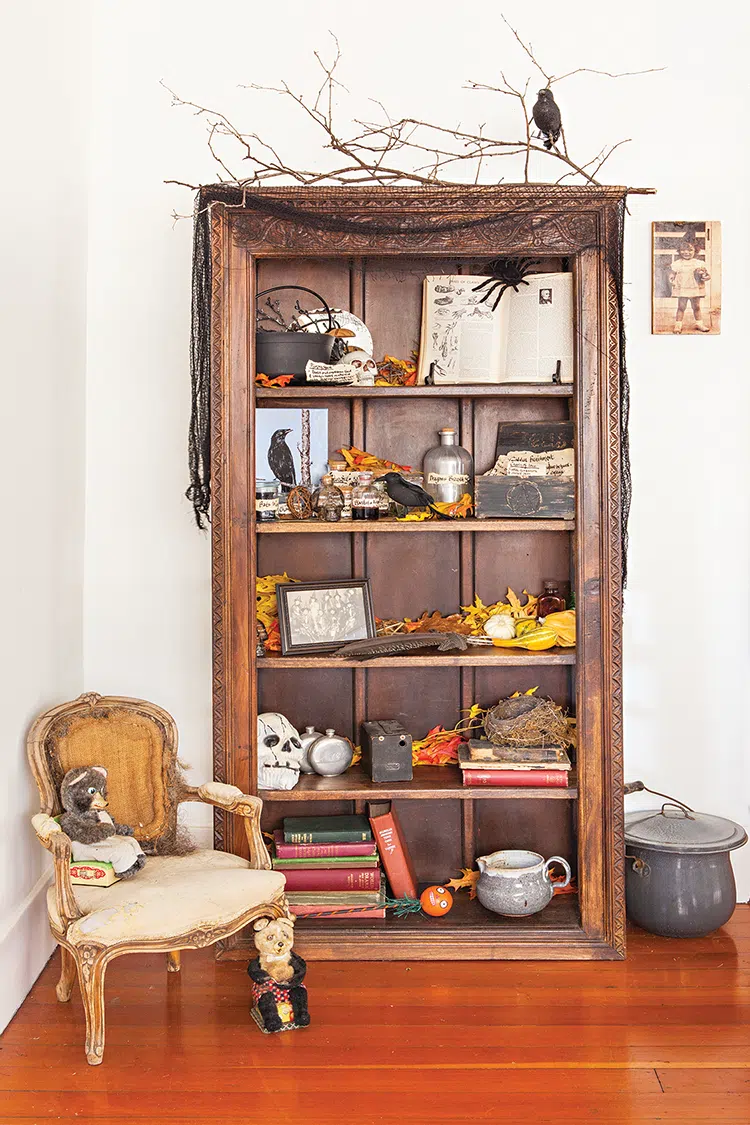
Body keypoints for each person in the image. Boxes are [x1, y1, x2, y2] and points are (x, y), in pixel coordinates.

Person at [668, 237, 710, 333]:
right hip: (682, 288)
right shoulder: (678, 263)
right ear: (679, 251)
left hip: (695, 288)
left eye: (690, 250)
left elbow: (706, 274)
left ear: (696, 250)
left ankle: (699, 324)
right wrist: (671, 277)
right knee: (681, 307)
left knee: (696, 307)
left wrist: (706, 277)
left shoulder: (698, 263)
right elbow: (673, 273)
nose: (686, 252)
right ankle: (678, 325)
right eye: (683, 250)